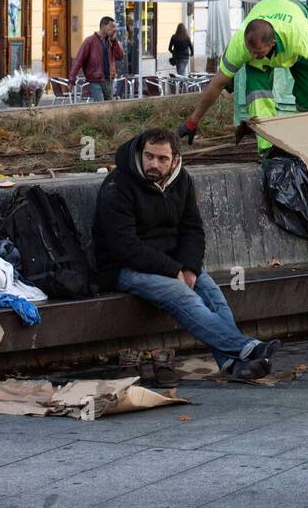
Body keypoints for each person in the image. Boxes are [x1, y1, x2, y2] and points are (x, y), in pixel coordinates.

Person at [93, 128, 276, 381]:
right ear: (141, 152)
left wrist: (189, 268)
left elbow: (192, 229)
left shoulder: (182, 181)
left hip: (173, 263)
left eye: (162, 159)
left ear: (175, 159)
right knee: (182, 295)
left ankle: (234, 366)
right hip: (123, 268)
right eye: (149, 156)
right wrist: (172, 270)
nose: (153, 164)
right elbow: (123, 246)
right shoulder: (118, 185)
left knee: (213, 296)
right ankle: (246, 348)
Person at [179, 0, 308, 152]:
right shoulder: (240, 45)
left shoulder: (301, 37)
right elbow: (216, 84)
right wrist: (192, 122)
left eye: (258, 53)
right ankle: (268, 152)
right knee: (257, 96)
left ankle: (304, 141)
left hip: (297, 20)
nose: (252, 56)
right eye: (250, 52)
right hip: (266, 14)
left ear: (272, 43)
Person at [68, 16, 124, 101]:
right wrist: (72, 79)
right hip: (95, 80)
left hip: (108, 80)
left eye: (114, 27)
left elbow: (120, 56)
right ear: (103, 26)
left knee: (109, 108)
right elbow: (78, 60)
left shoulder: (111, 42)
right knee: (100, 106)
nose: (114, 29)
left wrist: (114, 41)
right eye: (111, 27)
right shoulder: (90, 41)